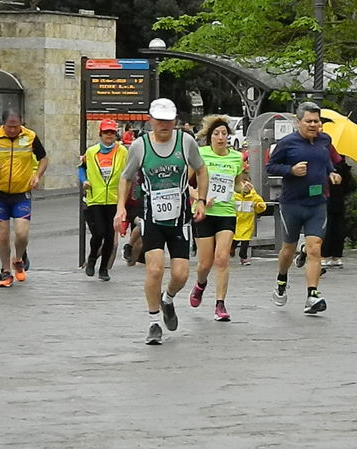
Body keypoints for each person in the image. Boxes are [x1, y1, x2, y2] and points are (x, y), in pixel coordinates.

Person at [114, 98, 208, 345]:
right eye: (159, 120)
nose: (164, 125)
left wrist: (201, 201)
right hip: (151, 217)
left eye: (169, 120)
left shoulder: (186, 142)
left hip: (179, 219)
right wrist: (120, 208)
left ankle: (168, 299)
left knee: (180, 274)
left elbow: (201, 169)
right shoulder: (139, 146)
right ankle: (154, 322)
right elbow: (125, 178)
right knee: (154, 269)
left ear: (175, 121)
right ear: (151, 120)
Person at [266, 101, 341, 314]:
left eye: (317, 121)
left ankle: (312, 295)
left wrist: (332, 172)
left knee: (315, 248)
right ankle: (282, 279)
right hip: (292, 204)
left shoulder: (325, 140)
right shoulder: (288, 143)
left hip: (317, 204)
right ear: (298, 122)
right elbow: (270, 167)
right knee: (288, 249)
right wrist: (291, 170)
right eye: (309, 121)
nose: (313, 125)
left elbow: (326, 161)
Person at [0, 109, 48, 287]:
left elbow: (44, 158)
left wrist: (37, 176)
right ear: (3, 124)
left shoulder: (30, 136)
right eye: (9, 126)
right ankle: (5, 271)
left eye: (16, 126)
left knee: (22, 234)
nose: (13, 130)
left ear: (21, 123)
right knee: (2, 235)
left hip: (21, 194)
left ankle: (18, 259)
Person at [188, 115, 247, 322]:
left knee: (222, 258)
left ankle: (220, 304)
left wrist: (244, 188)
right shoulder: (199, 155)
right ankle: (200, 285)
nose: (221, 138)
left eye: (224, 134)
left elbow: (238, 183)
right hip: (204, 213)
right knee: (205, 263)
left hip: (226, 213)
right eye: (216, 134)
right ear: (210, 137)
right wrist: (200, 198)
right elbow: (187, 185)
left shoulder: (236, 158)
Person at [78, 119, 128, 281]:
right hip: (95, 199)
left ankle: (104, 269)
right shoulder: (91, 152)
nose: (109, 135)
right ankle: (92, 258)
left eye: (112, 132)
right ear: (100, 134)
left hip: (114, 199)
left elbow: (128, 172)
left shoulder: (122, 152)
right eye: (106, 132)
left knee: (109, 236)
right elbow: (81, 167)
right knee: (98, 233)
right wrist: (84, 180)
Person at [231, 173, 266, 266]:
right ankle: (231, 249)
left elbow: (260, 206)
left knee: (245, 241)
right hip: (236, 222)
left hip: (247, 222)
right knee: (234, 239)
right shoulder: (233, 196)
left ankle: (243, 257)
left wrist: (260, 206)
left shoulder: (253, 196)